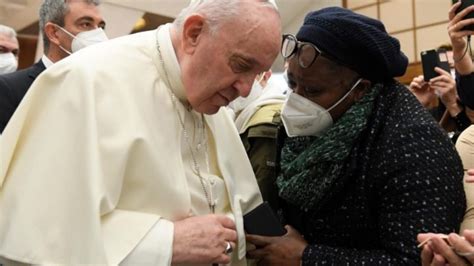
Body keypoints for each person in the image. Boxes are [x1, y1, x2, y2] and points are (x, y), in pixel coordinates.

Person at [0, 0, 281, 265]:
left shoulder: (209, 98)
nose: (245, 90)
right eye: (242, 65)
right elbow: (33, 230)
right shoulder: (85, 81)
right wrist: (164, 244)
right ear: (194, 33)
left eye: (257, 73)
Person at [245, 7, 465, 265]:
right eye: (292, 84)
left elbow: (414, 259)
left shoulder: (414, 145)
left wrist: (306, 257)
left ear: (359, 90)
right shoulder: (309, 125)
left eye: (313, 90)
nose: (296, 100)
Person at [0, 0, 107, 133]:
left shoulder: (102, 90)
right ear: (54, 33)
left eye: (101, 26)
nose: (98, 34)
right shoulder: (9, 88)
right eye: (86, 24)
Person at [229, 70, 286, 211]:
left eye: (246, 73)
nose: (238, 85)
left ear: (265, 76)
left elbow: (262, 193)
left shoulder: (265, 124)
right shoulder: (246, 113)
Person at [409, 44, 471, 142]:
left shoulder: (471, 109)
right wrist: (417, 106)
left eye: (453, 67)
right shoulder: (430, 114)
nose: (446, 75)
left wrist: (453, 105)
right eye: (442, 70)